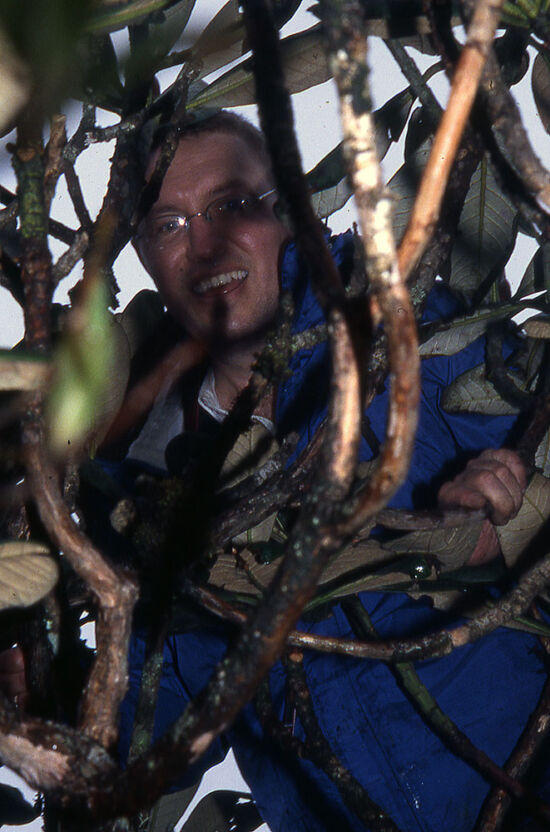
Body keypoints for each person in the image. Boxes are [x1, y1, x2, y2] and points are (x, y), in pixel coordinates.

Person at [0, 111, 540, 830]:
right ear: (145, 258)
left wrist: (512, 514)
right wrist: (43, 714)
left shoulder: (409, 333)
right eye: (168, 225)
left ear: (290, 209)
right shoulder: (149, 487)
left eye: (229, 206)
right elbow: (172, 716)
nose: (204, 244)